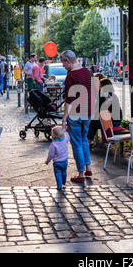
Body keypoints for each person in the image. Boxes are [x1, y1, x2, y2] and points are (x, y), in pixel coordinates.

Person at [60, 50, 95, 183]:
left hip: (75, 113)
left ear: (68, 61)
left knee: (76, 143)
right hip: (88, 111)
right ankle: (88, 167)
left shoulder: (71, 76)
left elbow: (69, 100)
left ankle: (81, 174)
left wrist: (64, 118)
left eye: (63, 63)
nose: (63, 66)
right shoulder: (88, 72)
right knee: (84, 139)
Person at [45, 126, 70, 191]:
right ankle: (64, 182)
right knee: (64, 172)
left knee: (58, 173)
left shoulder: (53, 144)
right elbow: (67, 135)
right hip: (65, 161)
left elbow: (50, 155)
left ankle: (59, 185)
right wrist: (65, 129)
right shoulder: (65, 139)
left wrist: (47, 161)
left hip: (57, 163)